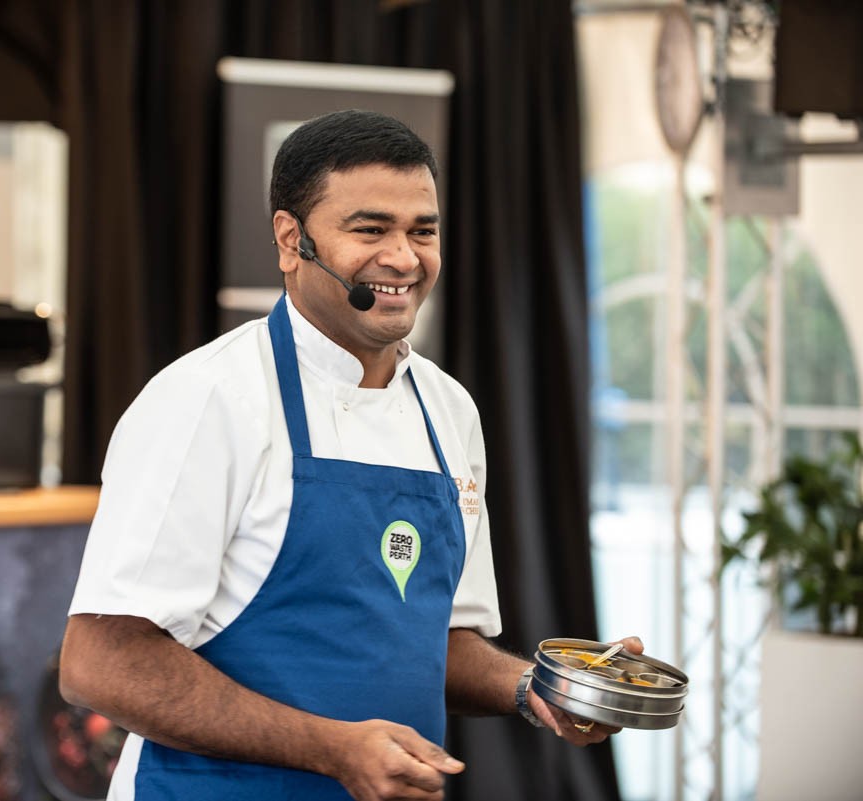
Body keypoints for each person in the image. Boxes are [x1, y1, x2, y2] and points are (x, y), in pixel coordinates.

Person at [58, 109, 640, 801]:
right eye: (370, 229)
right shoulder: (207, 398)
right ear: (289, 239)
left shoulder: (449, 410)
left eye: (423, 230)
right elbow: (101, 660)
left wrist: (537, 688)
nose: (403, 257)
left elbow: (433, 640)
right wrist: (330, 749)